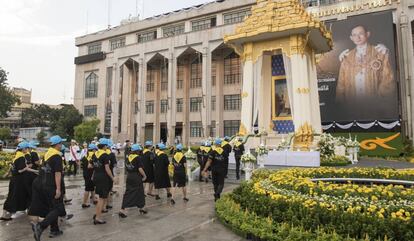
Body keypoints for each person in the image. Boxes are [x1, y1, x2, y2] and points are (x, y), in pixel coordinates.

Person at [336, 25, 394, 104]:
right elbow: (341, 85)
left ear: (367, 34)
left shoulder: (379, 52)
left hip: (374, 104)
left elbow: (388, 79)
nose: (357, 37)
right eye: (354, 35)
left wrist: (379, 100)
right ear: (351, 38)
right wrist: (342, 105)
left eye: (361, 34)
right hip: (353, 104)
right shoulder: (347, 57)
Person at [31, 136, 68, 240]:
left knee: (52, 208)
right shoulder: (56, 156)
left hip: (44, 185)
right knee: (59, 209)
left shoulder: (47, 154)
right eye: (61, 143)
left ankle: (54, 230)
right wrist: (58, 189)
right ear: (57, 145)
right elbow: (57, 174)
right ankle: (40, 226)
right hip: (52, 186)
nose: (61, 145)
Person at [1, 142, 34, 221]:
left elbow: (13, 167)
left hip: (15, 180)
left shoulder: (17, 156)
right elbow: (20, 170)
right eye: (26, 148)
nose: (27, 149)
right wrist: (27, 167)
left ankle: (5, 213)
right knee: (13, 197)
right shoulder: (21, 157)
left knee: (14, 196)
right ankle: (4, 214)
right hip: (18, 181)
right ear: (23, 149)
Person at [118, 144, 147, 218]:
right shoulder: (138, 158)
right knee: (140, 191)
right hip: (136, 177)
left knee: (128, 192)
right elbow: (140, 169)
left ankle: (123, 209)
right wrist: (144, 176)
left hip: (129, 176)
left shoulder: (128, 157)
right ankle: (141, 208)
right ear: (137, 151)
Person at [92, 138, 115, 225]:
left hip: (97, 177)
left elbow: (91, 166)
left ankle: (97, 214)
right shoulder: (105, 155)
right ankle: (98, 218)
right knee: (101, 198)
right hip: (103, 178)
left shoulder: (95, 154)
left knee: (101, 197)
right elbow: (107, 168)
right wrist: (112, 178)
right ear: (105, 146)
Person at [81, 144, 97, 208]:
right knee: (87, 188)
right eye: (95, 149)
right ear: (93, 149)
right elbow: (89, 166)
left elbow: (82, 164)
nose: (96, 151)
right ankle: (84, 203)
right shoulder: (93, 155)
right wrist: (96, 166)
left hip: (85, 173)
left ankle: (94, 199)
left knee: (92, 187)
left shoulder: (86, 154)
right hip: (89, 174)